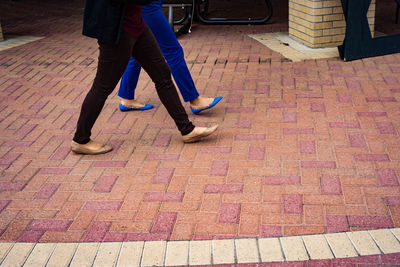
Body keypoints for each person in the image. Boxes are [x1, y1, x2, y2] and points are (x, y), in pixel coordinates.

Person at [71, 0, 218, 155]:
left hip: (137, 25)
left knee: (162, 75)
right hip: (118, 30)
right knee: (102, 87)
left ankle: (187, 130)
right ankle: (80, 139)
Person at [117, 0, 223, 114]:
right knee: (173, 50)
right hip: (148, 6)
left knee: (138, 51)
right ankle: (194, 100)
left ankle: (126, 96)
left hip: (142, 6)